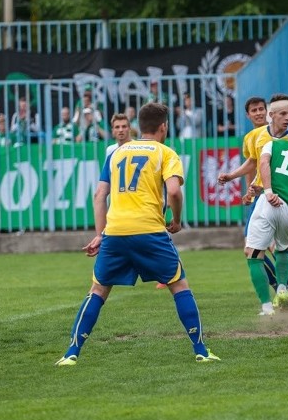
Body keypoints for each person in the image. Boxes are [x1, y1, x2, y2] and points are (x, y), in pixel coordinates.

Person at [54, 102, 220, 366]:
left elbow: (99, 196)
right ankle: (200, 349)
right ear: (163, 126)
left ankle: (71, 353)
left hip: (116, 232)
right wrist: (176, 221)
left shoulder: (116, 154)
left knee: (98, 290)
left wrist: (101, 234)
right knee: (178, 285)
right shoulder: (166, 153)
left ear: (137, 127)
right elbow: (174, 192)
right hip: (150, 230)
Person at [244, 112, 288, 316]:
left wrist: (266, 190)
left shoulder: (273, 144)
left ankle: (266, 307)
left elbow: (263, 164)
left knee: (254, 254)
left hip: (270, 202)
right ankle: (282, 288)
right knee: (282, 250)